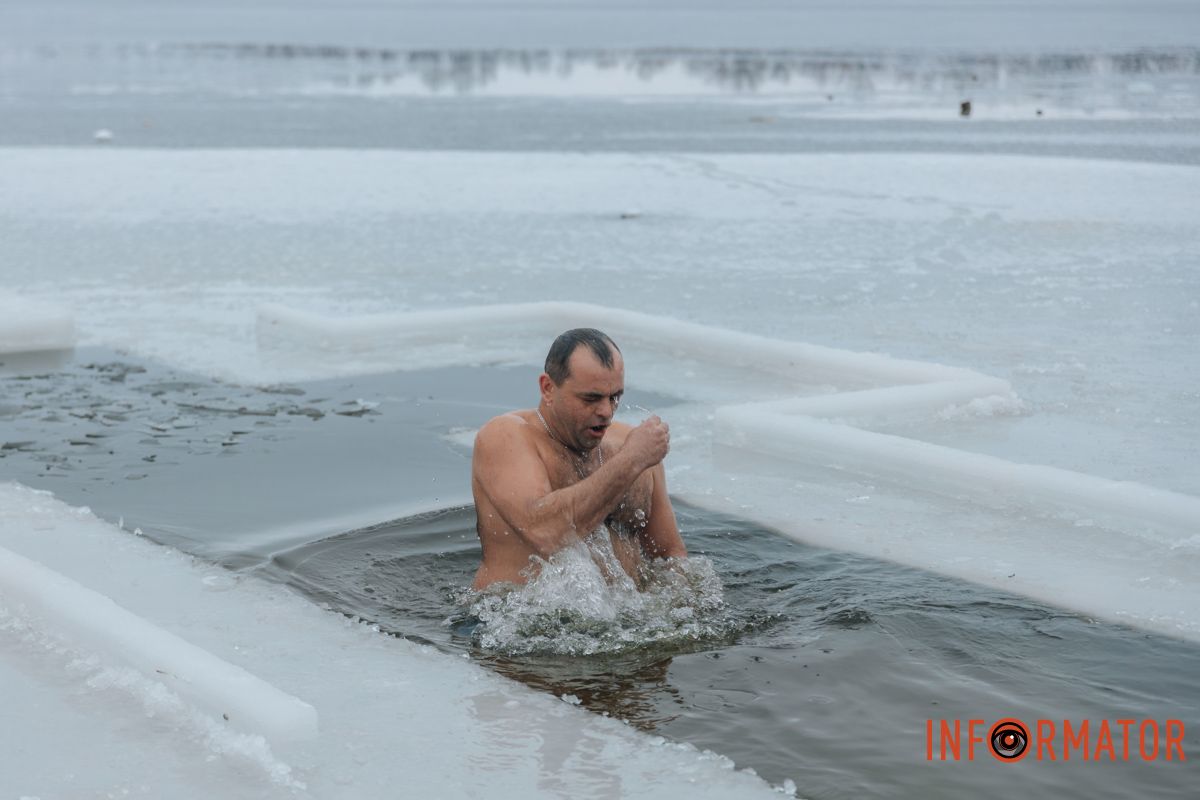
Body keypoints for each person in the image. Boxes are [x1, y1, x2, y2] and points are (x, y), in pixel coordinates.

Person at [471, 328, 687, 589]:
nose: (606, 411)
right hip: (516, 609)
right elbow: (544, 531)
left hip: (626, 610)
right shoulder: (505, 437)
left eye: (614, 397)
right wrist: (630, 461)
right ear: (548, 388)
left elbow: (669, 554)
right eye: (591, 398)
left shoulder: (629, 443)